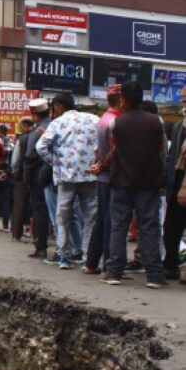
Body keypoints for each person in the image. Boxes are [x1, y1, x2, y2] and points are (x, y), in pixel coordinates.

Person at [101, 81, 167, 288]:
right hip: (148, 182)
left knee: (119, 226)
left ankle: (114, 273)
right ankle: (154, 276)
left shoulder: (116, 123)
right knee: (149, 227)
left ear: (124, 99)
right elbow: (162, 152)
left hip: (121, 180)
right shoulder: (157, 121)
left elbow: (114, 150)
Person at [37, 93, 99, 270]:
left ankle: (64, 257)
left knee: (62, 217)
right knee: (90, 218)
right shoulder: (94, 119)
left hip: (66, 176)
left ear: (58, 106)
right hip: (89, 175)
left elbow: (40, 147)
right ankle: (88, 257)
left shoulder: (57, 123)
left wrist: (55, 162)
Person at [85, 85, 121, 275]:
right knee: (110, 221)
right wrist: (102, 165)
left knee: (102, 220)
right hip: (110, 176)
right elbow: (115, 151)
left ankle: (91, 262)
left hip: (103, 177)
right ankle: (109, 265)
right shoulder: (114, 121)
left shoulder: (104, 119)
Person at [161, 86, 186, 282]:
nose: (182, 103)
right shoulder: (179, 127)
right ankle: (170, 265)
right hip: (175, 182)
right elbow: (171, 157)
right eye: (183, 99)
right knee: (171, 228)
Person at [24, 99, 52, 258]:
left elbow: (29, 157)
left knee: (40, 210)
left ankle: (41, 246)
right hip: (57, 173)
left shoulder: (38, 131)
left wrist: (26, 178)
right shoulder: (55, 125)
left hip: (39, 176)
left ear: (35, 115)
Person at [11, 117, 34, 241]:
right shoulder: (38, 135)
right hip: (36, 176)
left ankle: (16, 233)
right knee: (37, 205)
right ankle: (36, 234)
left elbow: (15, 160)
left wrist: (14, 173)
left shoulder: (22, 139)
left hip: (21, 176)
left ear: (25, 125)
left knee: (19, 205)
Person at [0, 125, 14, 231]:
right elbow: (13, 161)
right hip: (6, 174)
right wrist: (7, 172)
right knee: (5, 199)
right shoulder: (11, 144)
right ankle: (5, 225)